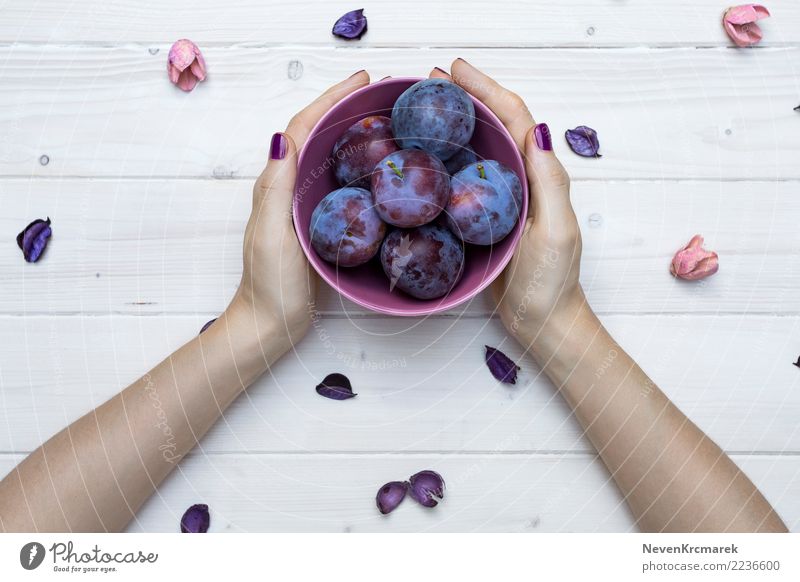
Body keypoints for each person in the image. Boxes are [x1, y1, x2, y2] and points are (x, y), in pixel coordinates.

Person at [0, 60, 787, 533]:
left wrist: (258, 323)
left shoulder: (415, 196)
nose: (394, 173)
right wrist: (260, 321)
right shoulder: (390, 197)